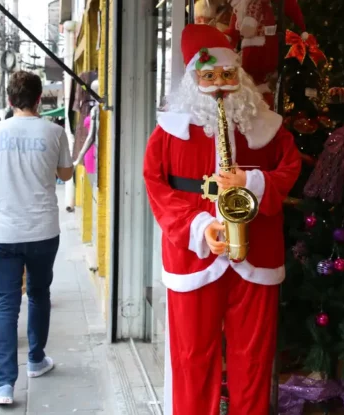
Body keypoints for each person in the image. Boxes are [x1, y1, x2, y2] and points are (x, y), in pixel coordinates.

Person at [143, 24, 301, 414]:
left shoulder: (267, 125)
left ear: (240, 76)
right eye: (208, 76)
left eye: (227, 75)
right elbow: (157, 187)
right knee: (192, 355)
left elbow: (290, 167)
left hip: (256, 250)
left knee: (254, 356)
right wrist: (198, 226)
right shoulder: (167, 132)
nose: (219, 85)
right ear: (193, 79)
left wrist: (252, 181)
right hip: (194, 255)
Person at [0, 70, 73, 405]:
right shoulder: (54, 132)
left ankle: (4, 385)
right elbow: (66, 173)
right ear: (39, 98)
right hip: (43, 231)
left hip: (2, 232)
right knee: (40, 294)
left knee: (7, 304)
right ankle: (36, 360)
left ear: (10, 100)